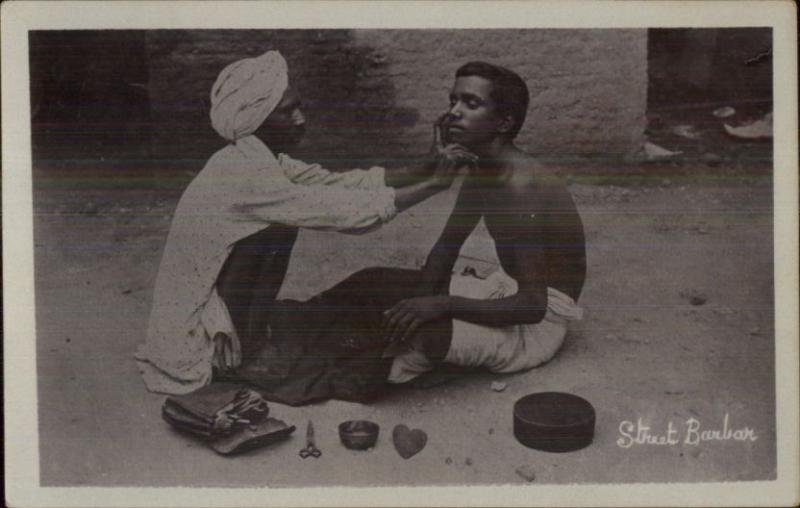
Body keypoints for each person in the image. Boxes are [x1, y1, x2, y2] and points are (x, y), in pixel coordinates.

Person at [134, 51, 474, 395]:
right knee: (279, 234)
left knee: (286, 238)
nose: (301, 119)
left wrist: (426, 166)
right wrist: (434, 186)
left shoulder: (256, 158)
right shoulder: (244, 177)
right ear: (258, 121)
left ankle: (252, 339)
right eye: (287, 111)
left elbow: (337, 183)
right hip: (196, 339)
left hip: (209, 312)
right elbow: (341, 213)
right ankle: (244, 354)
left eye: (298, 107)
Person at [378, 61, 588, 382]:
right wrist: (418, 305)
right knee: (372, 282)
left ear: (503, 122)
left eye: (470, 103)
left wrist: (439, 306)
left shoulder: (523, 185)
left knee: (423, 333)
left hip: (537, 324)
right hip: (504, 290)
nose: (453, 113)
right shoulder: (483, 168)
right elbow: (447, 248)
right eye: (453, 101)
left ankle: (412, 354)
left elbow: (533, 305)